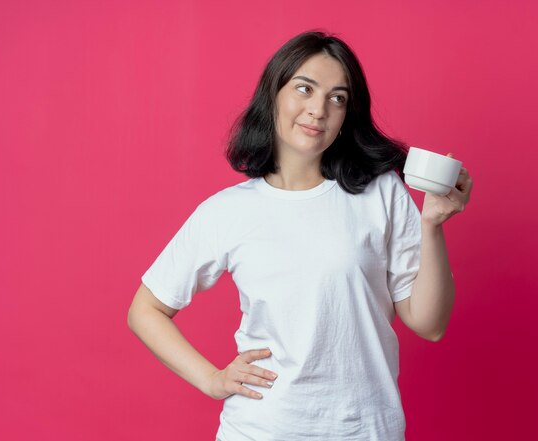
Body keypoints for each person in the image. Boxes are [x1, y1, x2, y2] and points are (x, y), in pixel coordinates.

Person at [127, 29, 473, 441]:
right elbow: (144, 310)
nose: (319, 109)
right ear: (274, 94)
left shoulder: (380, 192)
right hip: (261, 428)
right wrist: (212, 379)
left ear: (347, 116)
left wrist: (431, 224)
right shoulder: (228, 210)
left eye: (337, 98)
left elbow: (429, 324)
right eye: (304, 89)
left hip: (365, 430)